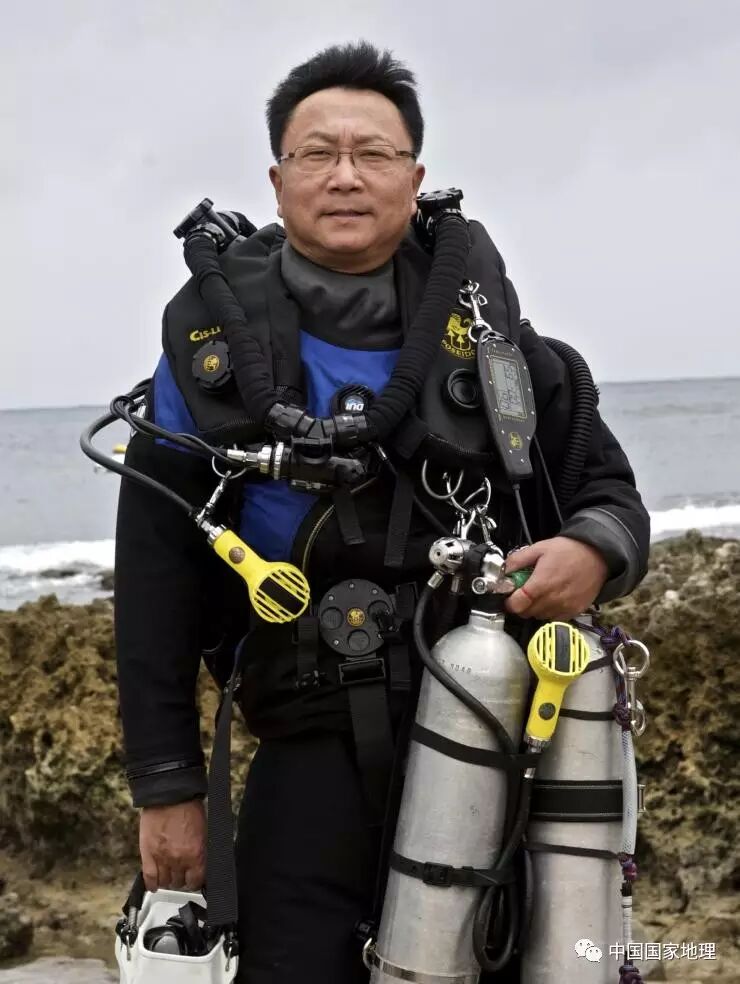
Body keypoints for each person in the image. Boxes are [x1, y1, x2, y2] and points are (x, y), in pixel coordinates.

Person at [114, 41, 650, 984]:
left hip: (499, 727)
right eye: (318, 153)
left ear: (415, 178)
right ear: (277, 181)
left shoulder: (496, 344)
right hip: (306, 740)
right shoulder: (206, 365)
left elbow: (609, 495)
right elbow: (154, 587)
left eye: (374, 153)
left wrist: (592, 553)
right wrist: (167, 788)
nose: (346, 176)